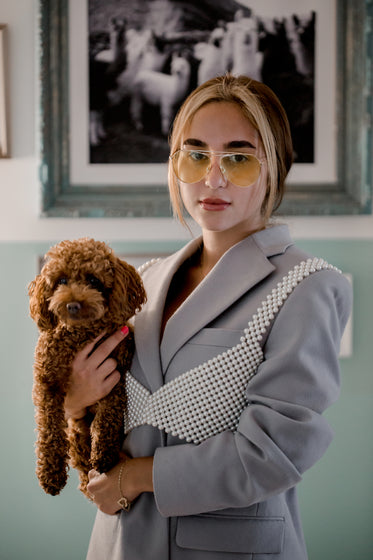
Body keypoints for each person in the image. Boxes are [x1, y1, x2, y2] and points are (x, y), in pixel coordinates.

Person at [65, 74, 352, 560]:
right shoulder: (144, 282)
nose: (212, 179)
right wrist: (74, 403)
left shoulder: (308, 286)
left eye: (238, 159)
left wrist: (136, 477)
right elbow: (114, 426)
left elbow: (273, 454)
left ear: (274, 169)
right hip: (118, 545)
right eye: (195, 155)